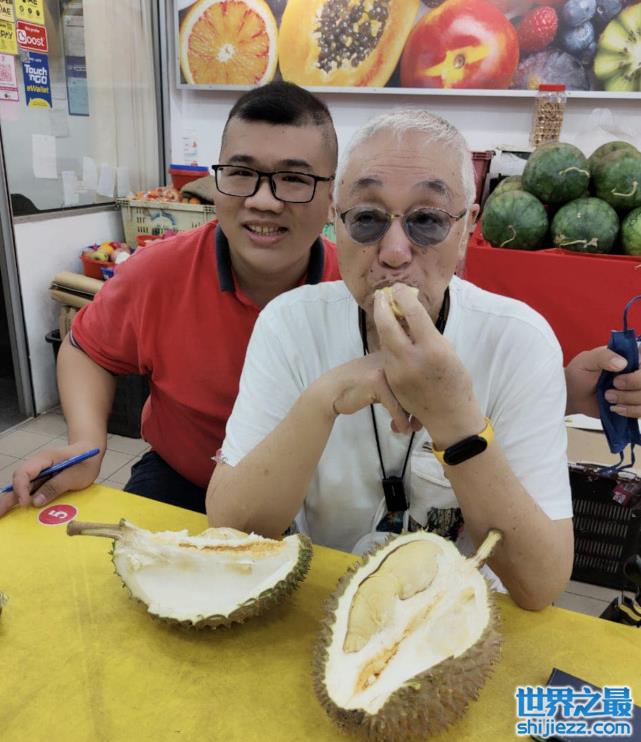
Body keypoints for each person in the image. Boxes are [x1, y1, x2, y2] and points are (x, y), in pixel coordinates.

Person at [207, 110, 575, 611]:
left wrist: (455, 418)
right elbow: (231, 528)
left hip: (459, 615)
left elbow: (539, 585)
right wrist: (324, 399)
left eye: (427, 220)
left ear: (466, 228)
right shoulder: (290, 324)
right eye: (367, 218)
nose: (396, 253)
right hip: (325, 601)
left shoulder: (519, 340)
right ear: (336, 223)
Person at [2, 81, 340, 517]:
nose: (263, 201)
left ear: (332, 197)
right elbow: (87, 349)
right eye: (241, 173)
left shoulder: (355, 290)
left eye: (294, 179)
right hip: (187, 481)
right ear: (215, 183)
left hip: (320, 497)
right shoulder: (159, 272)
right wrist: (85, 443)